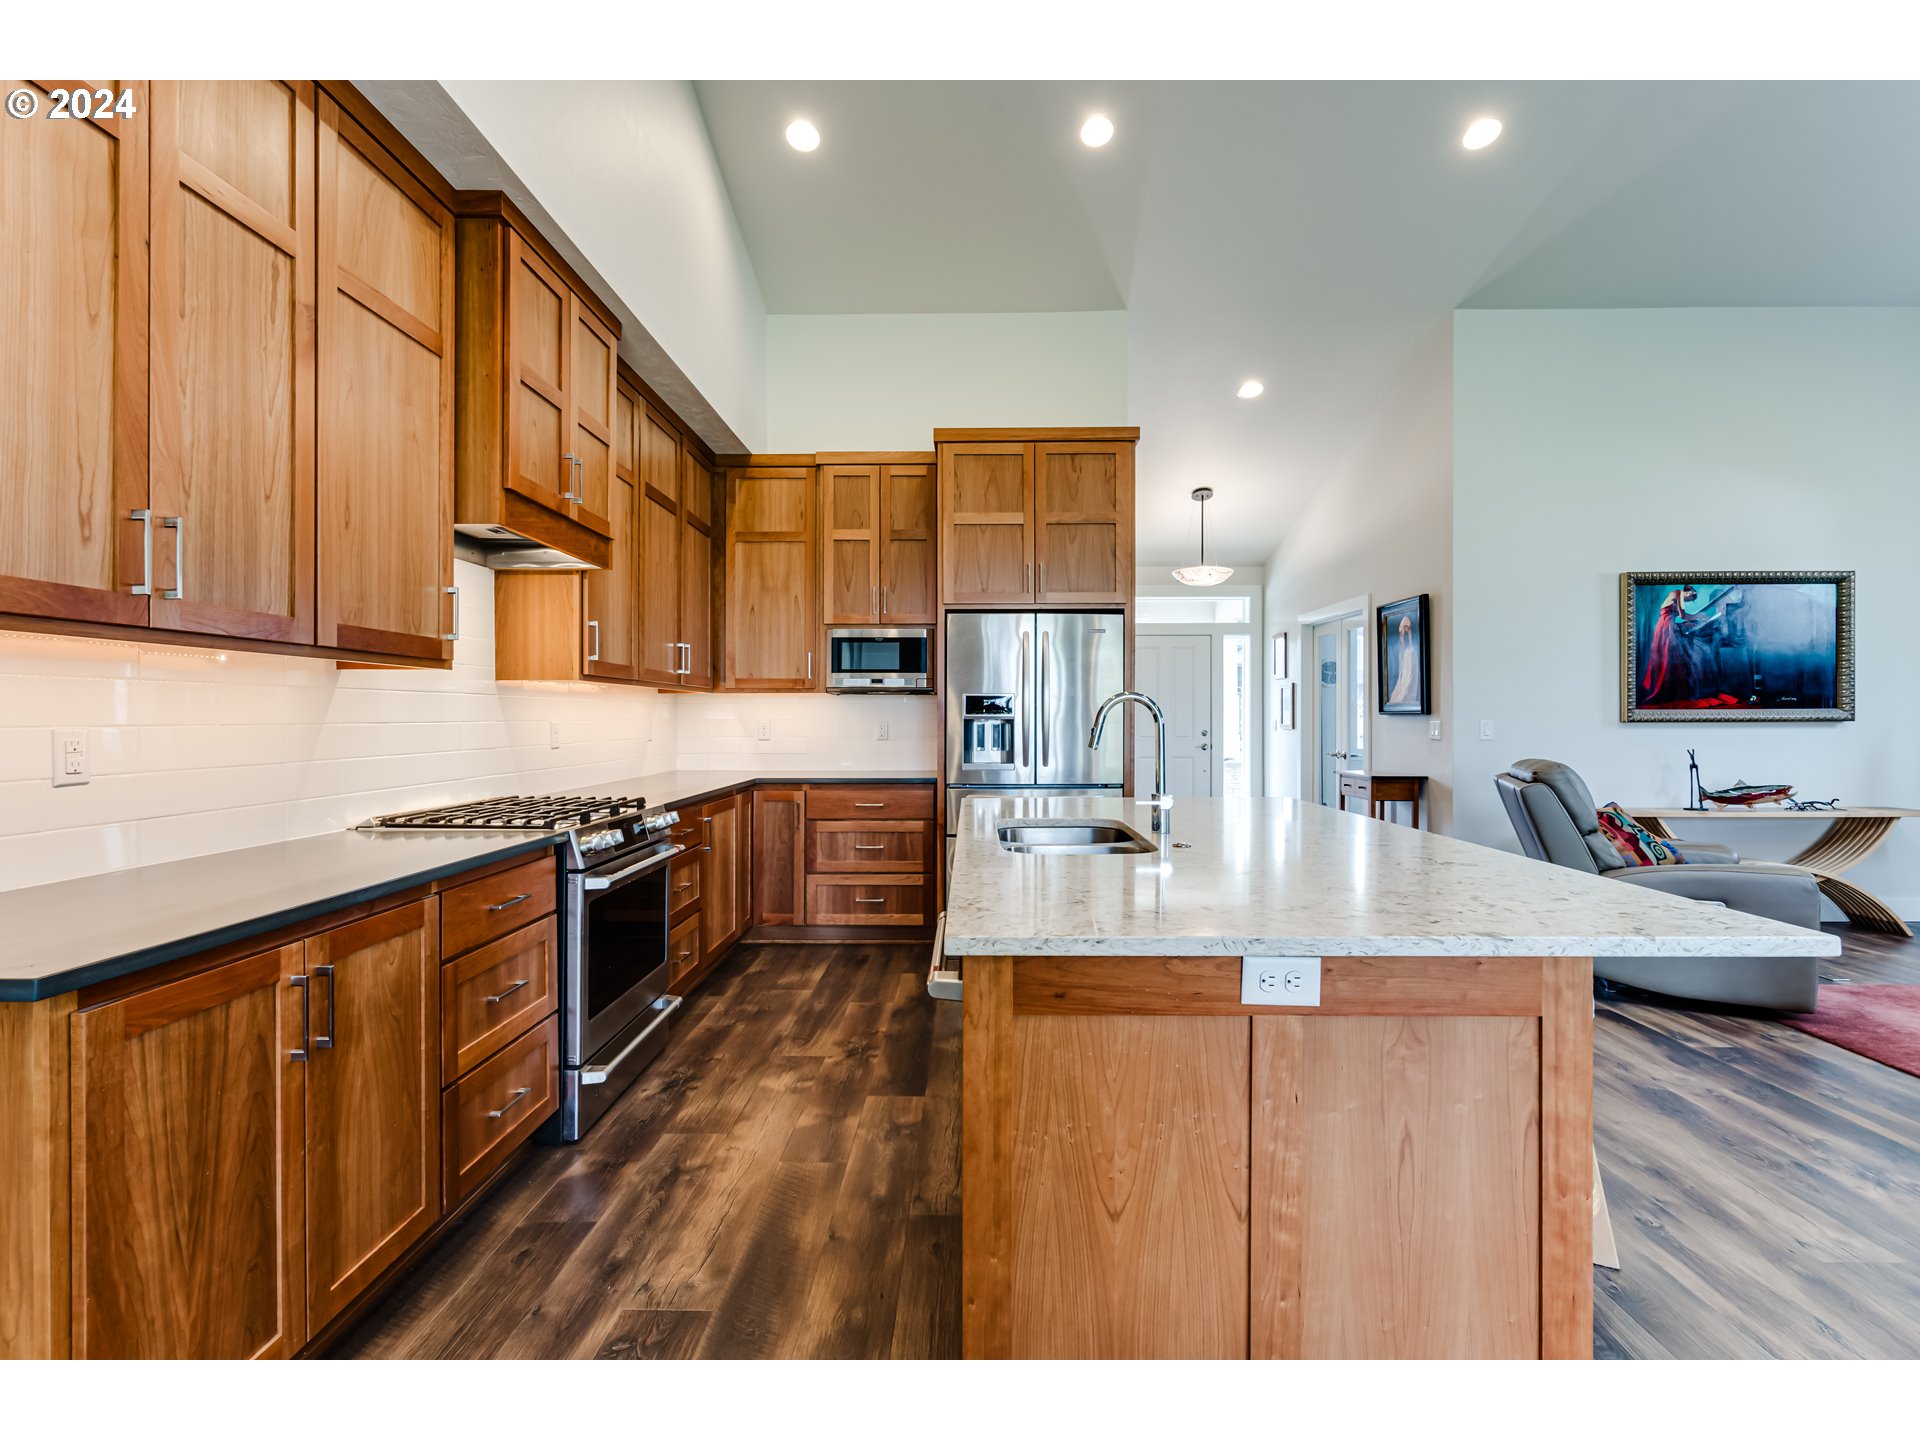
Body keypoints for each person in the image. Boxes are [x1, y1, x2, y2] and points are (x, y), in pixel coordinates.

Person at [1389, 613, 1419, 705]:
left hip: (1408, 701)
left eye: (1405, 629)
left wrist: (1398, 700)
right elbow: (1400, 680)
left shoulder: (1411, 653)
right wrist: (1393, 698)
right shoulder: (1404, 653)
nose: (1402, 635)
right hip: (1402, 700)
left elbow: (1409, 684)